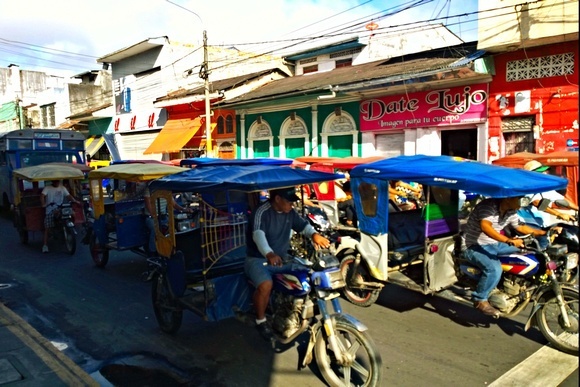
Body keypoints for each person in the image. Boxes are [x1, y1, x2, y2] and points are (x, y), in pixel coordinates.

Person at [245, 187, 330, 340]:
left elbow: (303, 226)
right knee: (266, 285)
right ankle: (261, 320)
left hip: (281, 258)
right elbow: (258, 235)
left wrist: (315, 235)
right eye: (289, 202)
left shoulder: (289, 212)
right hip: (258, 259)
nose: (292, 205)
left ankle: (297, 310)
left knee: (306, 274)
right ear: (277, 199)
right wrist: (269, 253)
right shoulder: (262, 211)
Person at [463, 196, 549, 317]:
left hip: (494, 244)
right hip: (472, 245)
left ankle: (512, 285)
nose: (522, 202)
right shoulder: (488, 206)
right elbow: (486, 227)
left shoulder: (510, 210)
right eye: (519, 198)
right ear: (508, 198)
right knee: (494, 269)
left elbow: (520, 227)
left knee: (525, 254)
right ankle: (480, 299)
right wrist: (508, 240)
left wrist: (543, 233)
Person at [40, 180, 79, 253]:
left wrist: (75, 201)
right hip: (50, 209)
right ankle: (45, 245)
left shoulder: (62, 188)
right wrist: (43, 204)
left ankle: (71, 227)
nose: (57, 182)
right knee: (47, 227)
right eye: (55, 181)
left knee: (73, 213)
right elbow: (42, 196)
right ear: (53, 182)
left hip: (61, 208)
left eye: (58, 181)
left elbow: (68, 196)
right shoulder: (47, 188)